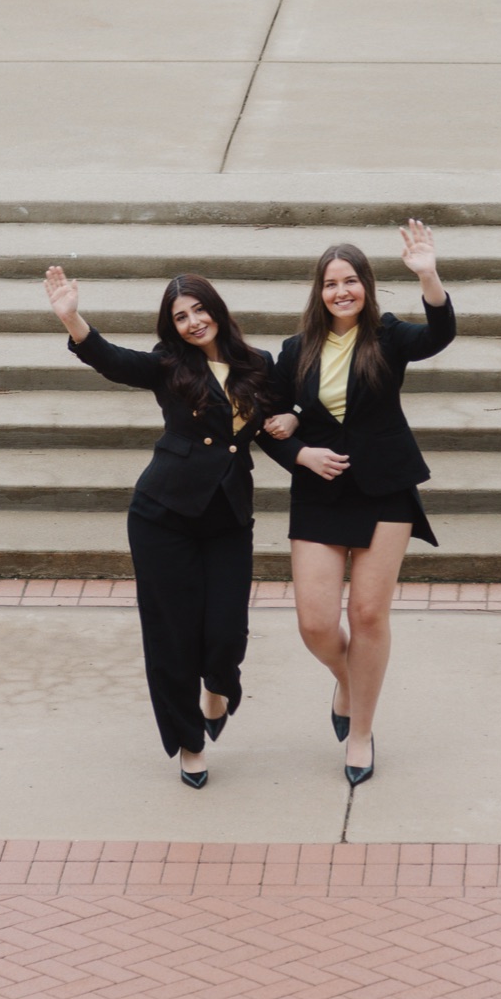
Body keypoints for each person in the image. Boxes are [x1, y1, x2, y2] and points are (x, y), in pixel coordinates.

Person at [43, 265, 295, 790]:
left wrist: (293, 423)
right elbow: (113, 362)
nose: (193, 322)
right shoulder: (167, 365)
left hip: (227, 517)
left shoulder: (258, 364)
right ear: (172, 325)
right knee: (171, 637)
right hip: (163, 517)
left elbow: (273, 423)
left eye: (199, 310)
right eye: (181, 316)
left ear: (217, 311)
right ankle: (189, 743)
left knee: (226, 632)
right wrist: (73, 319)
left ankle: (219, 689)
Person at [264, 221, 455, 786]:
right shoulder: (296, 350)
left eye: (351, 281)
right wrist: (301, 453)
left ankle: (362, 732)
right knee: (316, 624)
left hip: (385, 489)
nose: (341, 291)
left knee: (368, 615)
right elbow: (266, 422)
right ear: (318, 293)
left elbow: (439, 334)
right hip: (321, 492)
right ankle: (347, 680)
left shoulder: (390, 336)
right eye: (330, 283)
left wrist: (428, 276)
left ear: (367, 287)